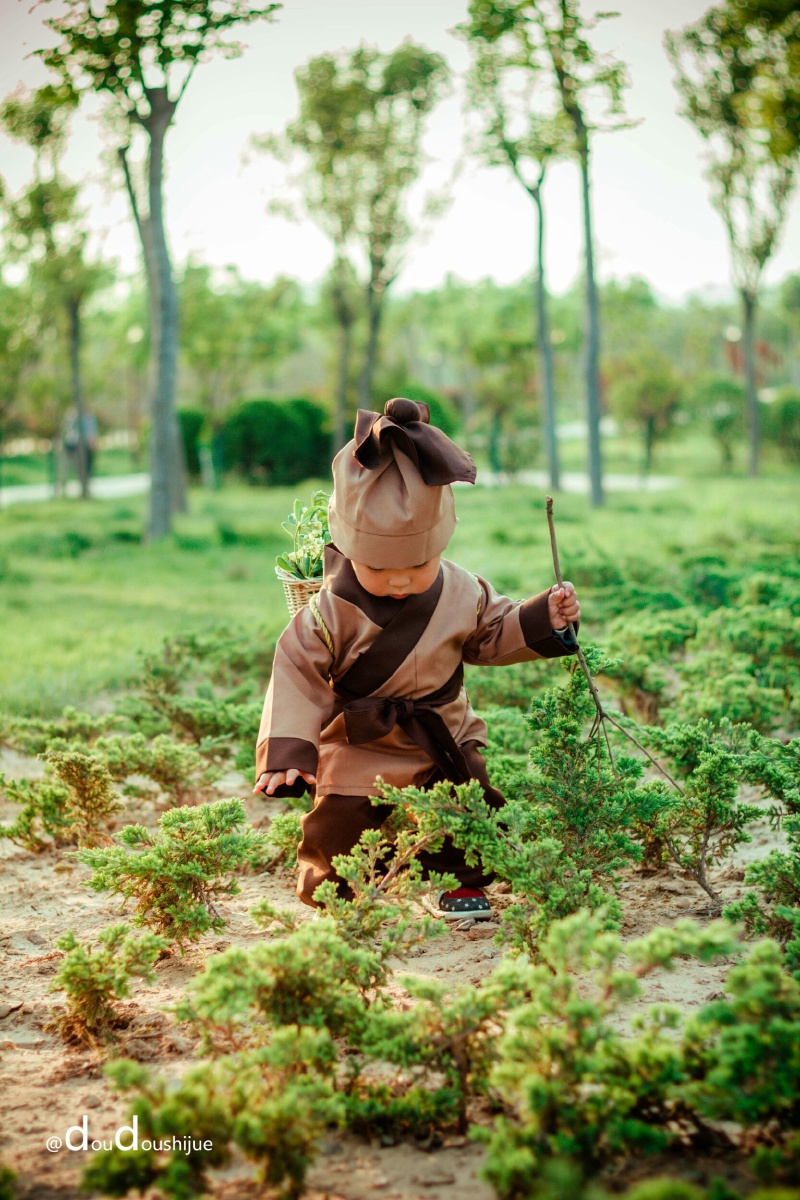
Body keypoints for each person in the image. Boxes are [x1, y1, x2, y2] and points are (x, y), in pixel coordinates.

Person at [253, 398, 581, 920]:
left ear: (442, 540)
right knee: (338, 823)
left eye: (419, 563)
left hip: (441, 731)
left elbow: (493, 634)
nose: (401, 580)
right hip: (364, 739)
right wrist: (290, 755)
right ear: (348, 545)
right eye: (380, 569)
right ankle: (340, 889)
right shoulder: (327, 610)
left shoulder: (463, 589)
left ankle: (456, 882)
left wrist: (547, 618)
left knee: (466, 806)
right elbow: (297, 671)